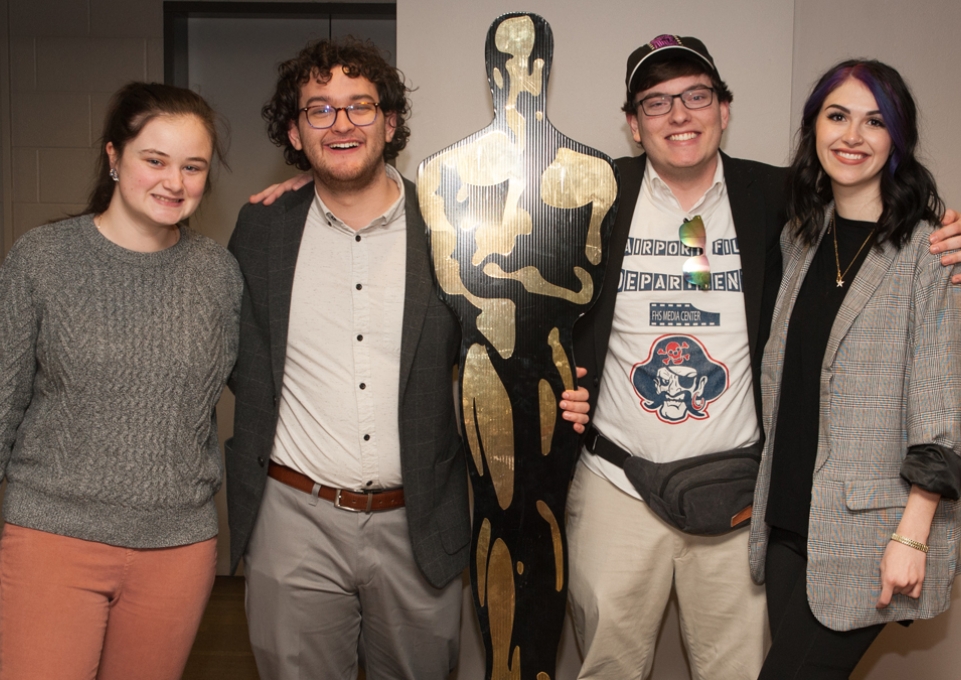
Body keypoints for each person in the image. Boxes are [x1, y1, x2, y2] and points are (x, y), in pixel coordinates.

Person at [565, 35, 961, 680]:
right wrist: (563, 382)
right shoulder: (595, 197)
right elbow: (539, 304)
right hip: (618, 484)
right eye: (656, 103)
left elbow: (881, 211)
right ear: (633, 125)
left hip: (742, 494)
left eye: (696, 96)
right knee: (607, 666)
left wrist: (943, 224)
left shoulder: (782, 201)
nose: (679, 115)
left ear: (724, 109)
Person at [226, 36, 592, 680]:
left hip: (418, 523)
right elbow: (229, 353)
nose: (342, 124)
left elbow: (508, 343)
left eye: (361, 106)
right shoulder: (261, 229)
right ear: (295, 129)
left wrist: (564, 385)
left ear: (391, 122)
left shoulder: (451, 230)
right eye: (320, 109)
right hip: (292, 522)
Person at [0, 82, 241, 680]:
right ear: (114, 158)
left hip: (178, 547)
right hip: (52, 538)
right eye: (154, 160)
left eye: (193, 167)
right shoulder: (42, 258)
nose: (174, 182)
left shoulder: (217, 273)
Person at [748, 59, 961, 679]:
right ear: (814, 127)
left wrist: (913, 533)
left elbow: (941, 400)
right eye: (837, 116)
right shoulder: (802, 239)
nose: (852, 136)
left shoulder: (931, 251)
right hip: (789, 521)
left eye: (875, 122)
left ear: (897, 139)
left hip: (872, 534)